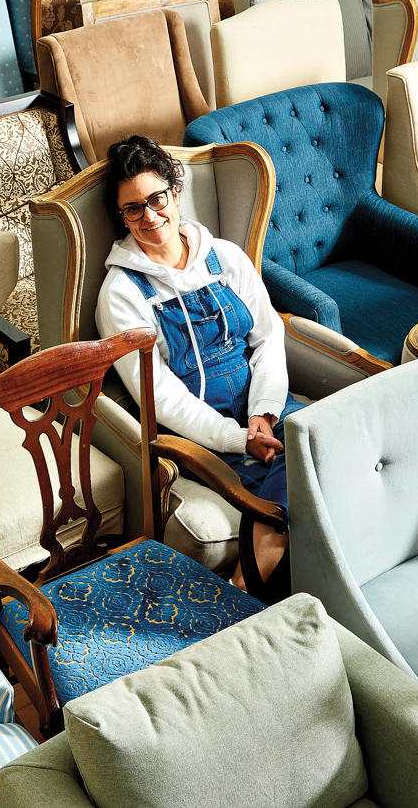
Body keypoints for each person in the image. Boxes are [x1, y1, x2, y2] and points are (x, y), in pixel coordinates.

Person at [94, 136, 301, 593]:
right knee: (309, 476)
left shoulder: (225, 256)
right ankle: (244, 594)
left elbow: (268, 337)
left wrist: (264, 414)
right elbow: (160, 395)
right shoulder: (121, 295)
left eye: (156, 198)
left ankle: (246, 588)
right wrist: (237, 437)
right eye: (133, 209)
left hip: (269, 410)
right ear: (121, 216)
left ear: (175, 192)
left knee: (322, 438)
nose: (149, 216)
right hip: (206, 436)